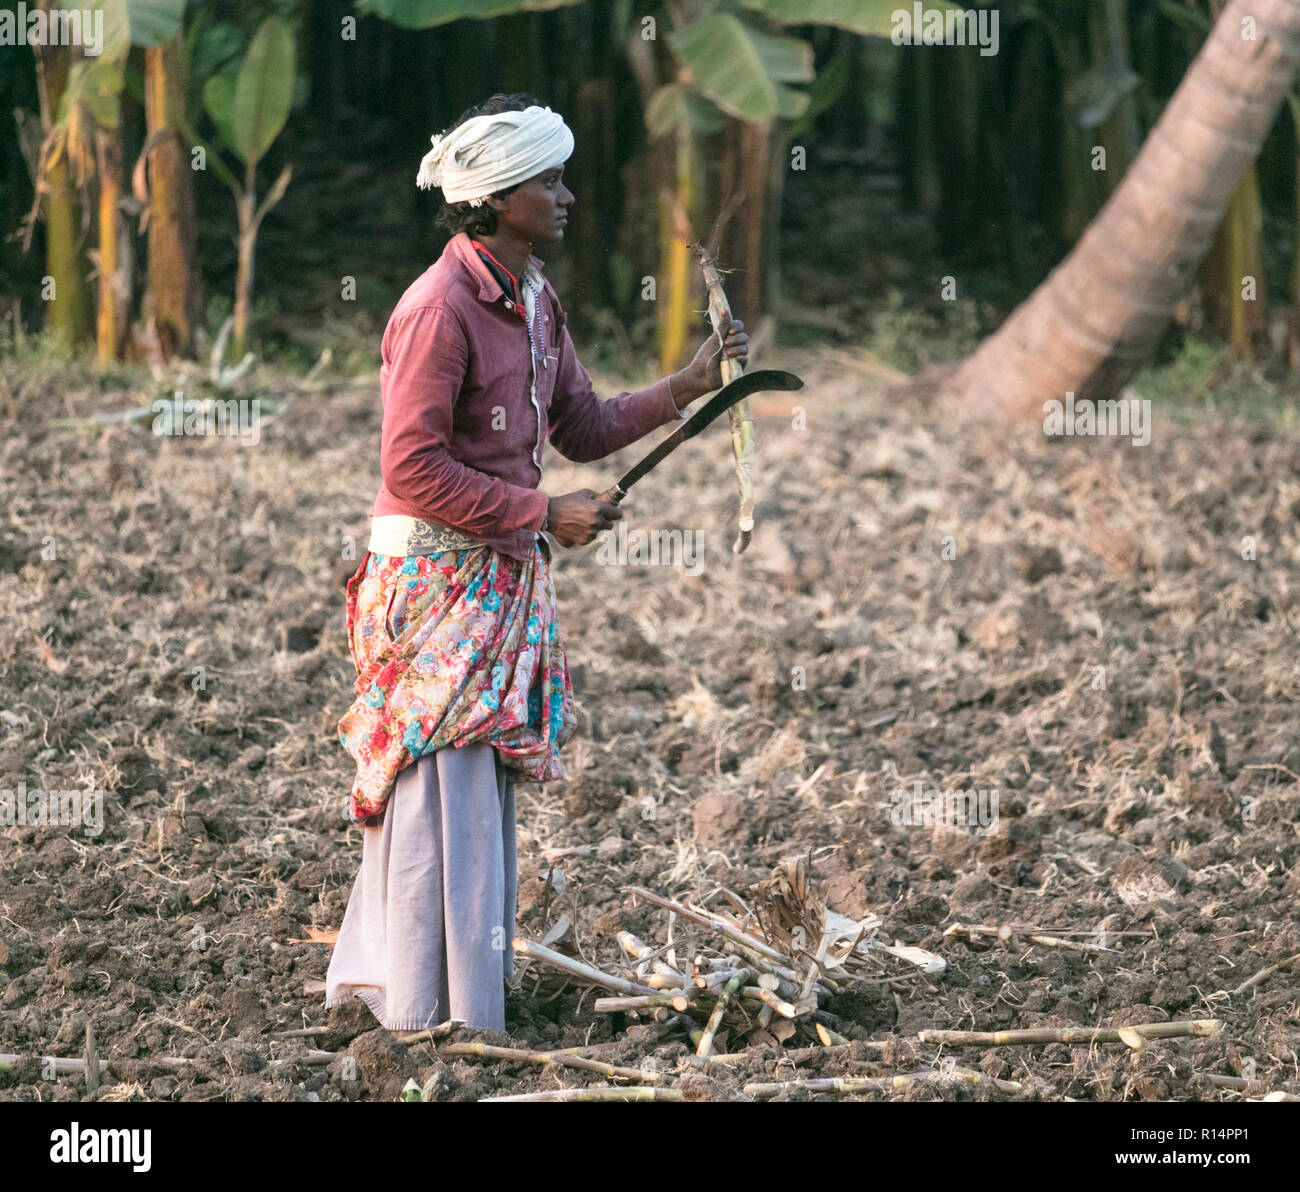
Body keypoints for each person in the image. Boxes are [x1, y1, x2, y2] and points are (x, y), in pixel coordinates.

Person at [326, 93, 749, 1036]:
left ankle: (449, 999)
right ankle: (425, 1007)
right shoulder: (438, 309)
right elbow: (411, 467)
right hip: (435, 587)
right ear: (493, 197)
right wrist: (541, 510)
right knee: (444, 790)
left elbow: (581, 425)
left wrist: (685, 386)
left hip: (495, 577)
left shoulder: (532, 298)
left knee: (467, 792)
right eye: (546, 181)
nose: (565, 195)